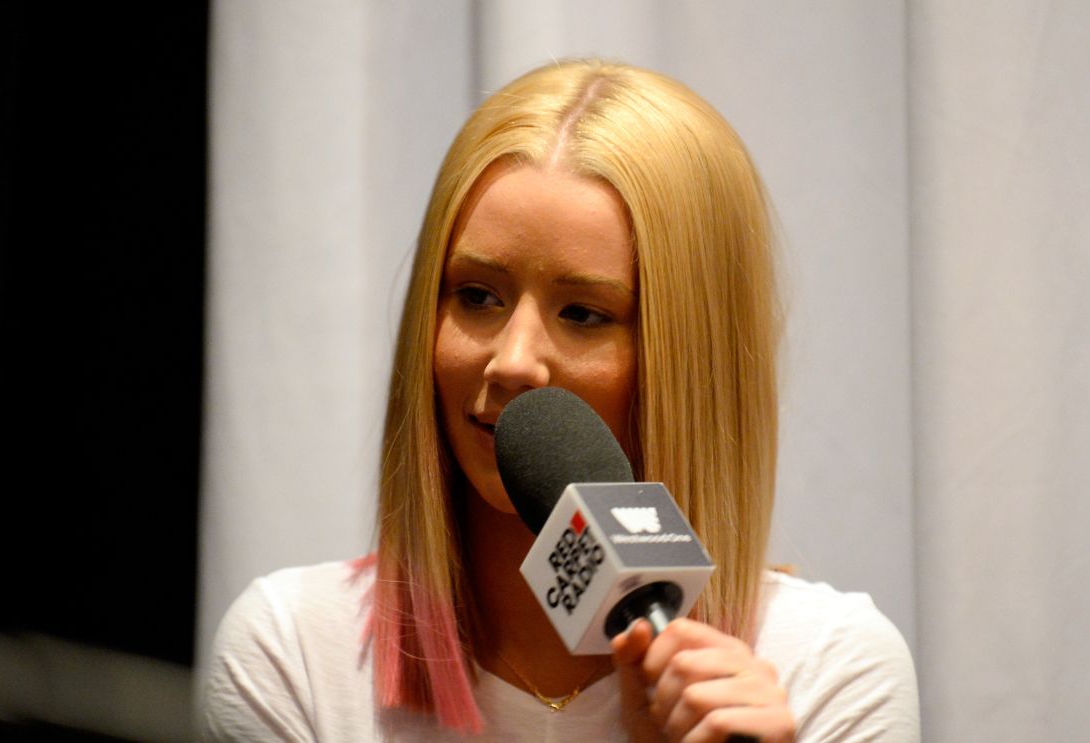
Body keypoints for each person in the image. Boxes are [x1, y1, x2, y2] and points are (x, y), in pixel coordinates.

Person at [203, 59, 919, 742]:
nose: (511, 361)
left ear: (687, 364)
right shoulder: (292, 651)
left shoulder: (830, 669)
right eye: (476, 296)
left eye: (583, 314)